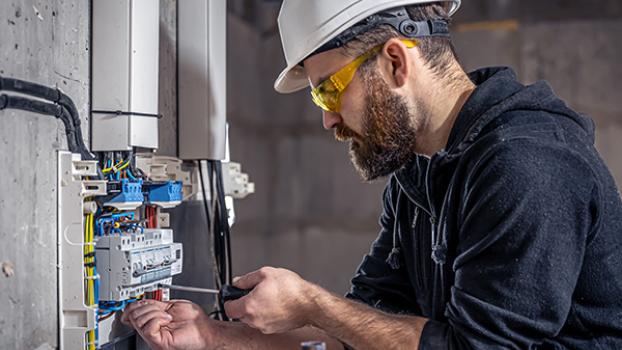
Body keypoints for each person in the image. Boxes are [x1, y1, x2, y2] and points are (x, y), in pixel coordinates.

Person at [123, 0, 622, 349]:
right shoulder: (418, 173)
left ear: (394, 62)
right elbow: (363, 332)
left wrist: (312, 304)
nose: (327, 119)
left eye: (328, 90)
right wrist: (215, 337)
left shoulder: (526, 165)